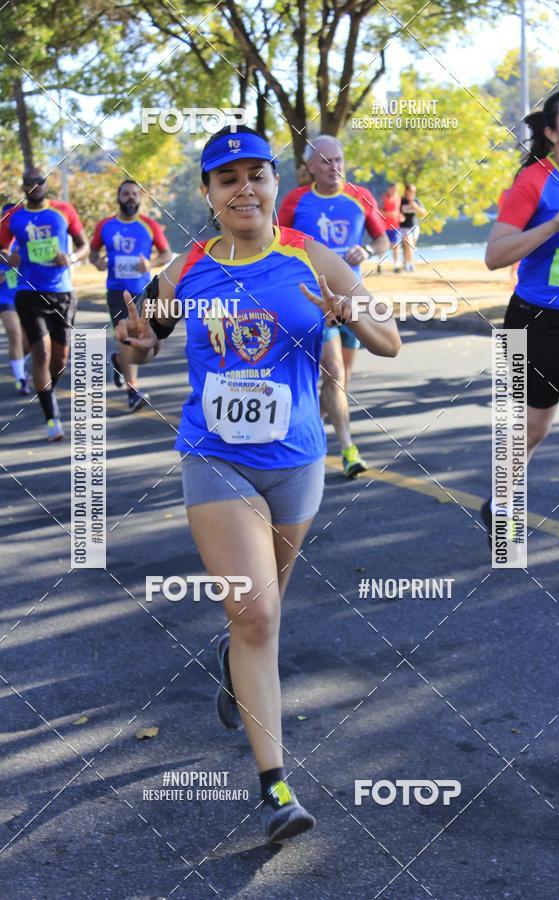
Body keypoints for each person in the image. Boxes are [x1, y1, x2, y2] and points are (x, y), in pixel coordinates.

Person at [115, 125, 400, 842]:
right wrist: (139, 341)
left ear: (276, 185)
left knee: (257, 616)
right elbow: (138, 338)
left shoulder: (309, 252)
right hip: (216, 458)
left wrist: (350, 312)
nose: (245, 188)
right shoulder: (188, 268)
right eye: (227, 178)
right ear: (208, 195)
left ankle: (228, 656)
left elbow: (389, 339)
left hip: (298, 462)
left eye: (257, 175)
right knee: (261, 619)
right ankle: (276, 787)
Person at [483, 88, 559, 543]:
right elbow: (494, 256)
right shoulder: (533, 182)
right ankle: (501, 501)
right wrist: (551, 225)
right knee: (530, 429)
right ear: (551, 133)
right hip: (532, 322)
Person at [278, 136, 390, 478]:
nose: (334, 167)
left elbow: (383, 238)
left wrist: (368, 252)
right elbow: (277, 242)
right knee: (334, 372)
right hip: (313, 300)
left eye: (338, 159)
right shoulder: (296, 201)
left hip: (353, 298)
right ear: (310, 166)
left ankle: (309, 429)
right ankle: (348, 450)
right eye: (325, 161)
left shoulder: (360, 197)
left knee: (340, 379)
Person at [0, 168, 89, 441]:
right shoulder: (13, 215)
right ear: (23, 187)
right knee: (42, 351)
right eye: (29, 183)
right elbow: (1, 248)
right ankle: (52, 418)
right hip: (29, 292)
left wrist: (71, 258)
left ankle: (45, 391)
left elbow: (84, 245)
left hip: (62, 292)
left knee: (60, 360)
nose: (35, 186)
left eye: (40, 181)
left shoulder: (64, 211)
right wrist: (7, 258)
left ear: (46, 184)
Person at [89, 180, 172, 411]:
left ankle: (118, 359)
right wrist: (98, 262)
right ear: (118, 197)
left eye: (134, 194)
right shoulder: (105, 225)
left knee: (156, 343)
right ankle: (133, 391)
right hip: (117, 292)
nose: (130, 198)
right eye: (126, 194)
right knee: (128, 338)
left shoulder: (149, 225)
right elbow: (92, 253)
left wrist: (151, 263)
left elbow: (166, 254)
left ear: (140, 198)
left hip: (145, 293)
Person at [0, 203, 30, 395]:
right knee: (15, 334)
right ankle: (20, 379)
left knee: (30, 339)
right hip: (5, 297)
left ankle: (19, 364)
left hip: (25, 294)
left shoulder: (26, 240)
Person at [378, 183, 405, 273]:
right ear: (389, 189)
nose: (394, 191)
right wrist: (388, 214)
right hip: (384, 227)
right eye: (393, 189)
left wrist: (401, 216)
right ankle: (380, 264)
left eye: (396, 190)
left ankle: (396, 266)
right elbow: (378, 211)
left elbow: (400, 210)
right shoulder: (383, 198)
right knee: (384, 246)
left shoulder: (398, 198)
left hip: (396, 226)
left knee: (396, 246)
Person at [399, 184, 426, 273]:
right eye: (411, 191)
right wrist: (400, 216)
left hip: (415, 226)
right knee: (409, 246)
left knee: (411, 247)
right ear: (406, 191)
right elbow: (396, 212)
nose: (412, 193)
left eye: (414, 191)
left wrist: (416, 207)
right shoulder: (401, 201)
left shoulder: (416, 200)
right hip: (404, 227)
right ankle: (409, 265)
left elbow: (424, 212)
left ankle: (407, 263)